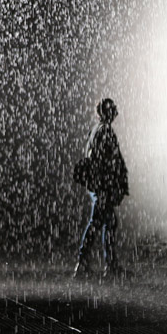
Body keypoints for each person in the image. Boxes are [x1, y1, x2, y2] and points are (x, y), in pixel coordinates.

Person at [73, 98, 129, 277]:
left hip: (99, 185)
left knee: (106, 223)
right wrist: (111, 184)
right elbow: (108, 162)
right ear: (108, 112)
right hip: (102, 186)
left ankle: (104, 265)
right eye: (113, 110)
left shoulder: (96, 129)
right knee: (99, 223)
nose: (115, 113)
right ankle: (89, 264)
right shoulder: (105, 131)